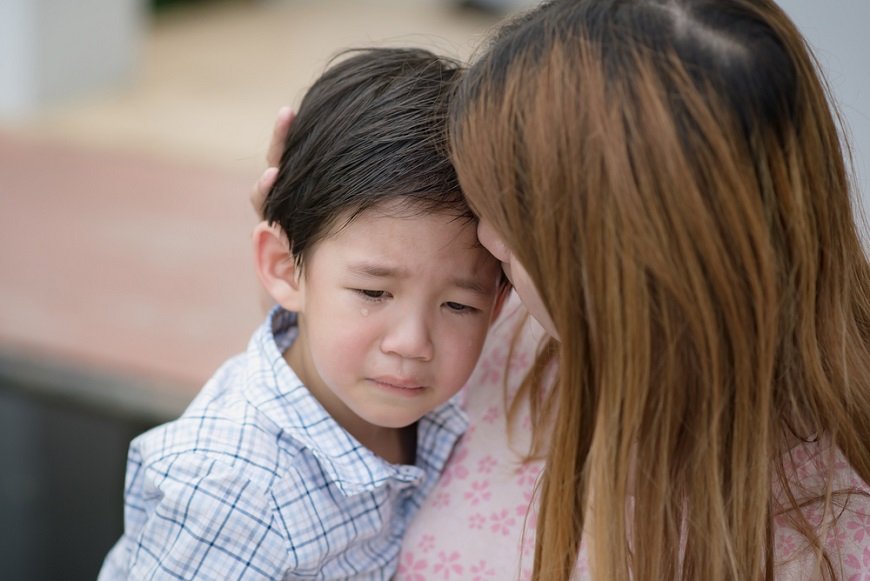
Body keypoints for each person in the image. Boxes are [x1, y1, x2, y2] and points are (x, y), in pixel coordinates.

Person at [256, 1, 870, 579]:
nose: (486, 238)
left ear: (626, 264)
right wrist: (317, 259)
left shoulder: (832, 526)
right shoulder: (508, 325)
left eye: (516, 213)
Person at [99, 47, 506, 580]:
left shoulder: (436, 408)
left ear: (501, 304)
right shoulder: (231, 493)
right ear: (284, 269)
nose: (412, 342)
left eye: (458, 305)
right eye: (372, 292)